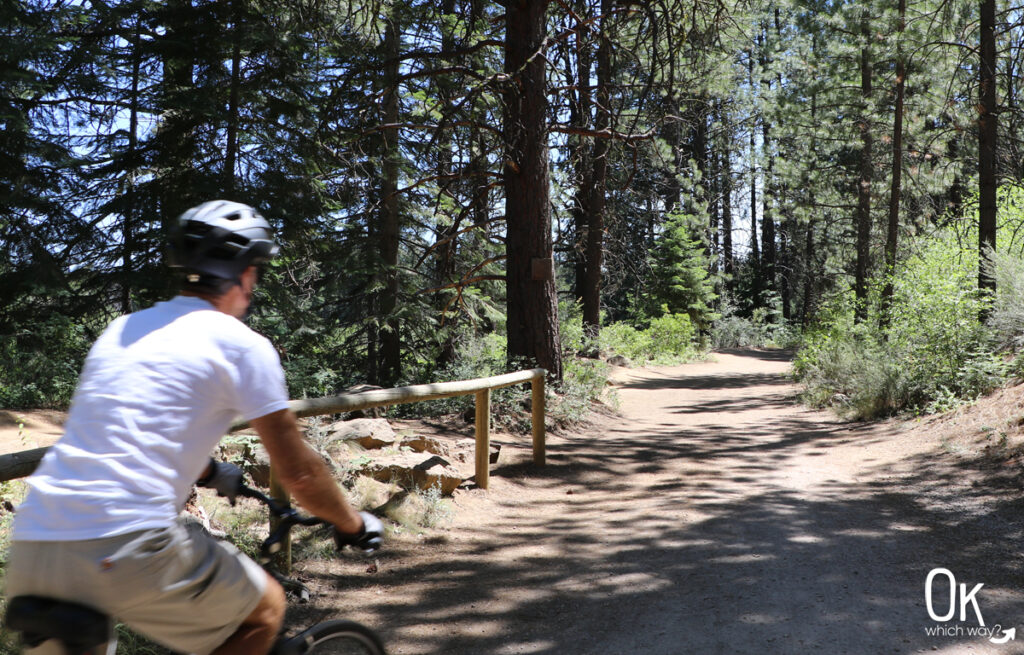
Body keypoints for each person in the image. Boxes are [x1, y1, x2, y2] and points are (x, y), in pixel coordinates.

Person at [5, 200, 382, 655]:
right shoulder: (242, 345)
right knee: (265, 607)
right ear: (245, 275)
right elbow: (300, 473)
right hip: (124, 542)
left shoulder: (122, 330)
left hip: (34, 542)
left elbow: (121, 432)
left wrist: (207, 471)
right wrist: (352, 521)